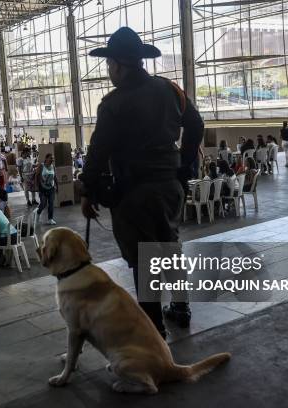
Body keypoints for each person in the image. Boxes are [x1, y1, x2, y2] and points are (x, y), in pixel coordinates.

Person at [80, 27, 204, 337]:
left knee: (144, 261)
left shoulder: (113, 104)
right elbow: (196, 126)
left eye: (109, 65)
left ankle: (154, 329)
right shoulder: (170, 90)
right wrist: (184, 164)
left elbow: (97, 152)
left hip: (134, 195)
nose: (109, 70)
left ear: (119, 65)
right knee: (169, 247)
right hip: (170, 187)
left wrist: (88, 191)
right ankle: (181, 308)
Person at [36, 153, 58, 225]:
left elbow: (55, 177)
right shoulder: (41, 166)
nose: (52, 159)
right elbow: (37, 176)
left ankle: (50, 219)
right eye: (51, 158)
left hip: (51, 188)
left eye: (53, 158)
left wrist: (57, 186)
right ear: (46, 158)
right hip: (42, 188)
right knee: (43, 204)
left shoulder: (53, 166)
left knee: (51, 203)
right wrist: (37, 186)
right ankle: (38, 213)